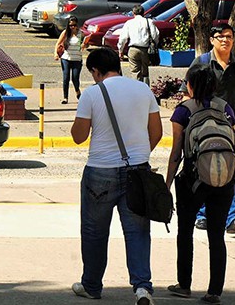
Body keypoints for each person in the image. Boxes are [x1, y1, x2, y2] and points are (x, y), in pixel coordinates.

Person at [70, 48, 162, 304]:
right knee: (138, 232)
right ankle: (142, 287)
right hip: (138, 171)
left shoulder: (91, 94)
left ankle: (91, 284)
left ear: (95, 72)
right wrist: (137, 157)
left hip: (100, 171)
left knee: (94, 232)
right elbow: (156, 132)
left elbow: (78, 137)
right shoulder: (144, 90)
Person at [165, 64, 235, 304]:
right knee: (217, 236)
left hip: (192, 181)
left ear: (190, 85)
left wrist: (167, 183)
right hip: (225, 180)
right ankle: (214, 291)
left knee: (185, 232)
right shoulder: (226, 109)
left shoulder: (183, 111)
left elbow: (177, 152)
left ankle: (184, 285)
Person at [187, 24, 235, 234]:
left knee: (230, 170)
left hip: (229, 128)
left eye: (229, 36)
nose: (225, 40)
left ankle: (233, 217)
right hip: (203, 127)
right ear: (211, 40)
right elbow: (188, 94)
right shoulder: (201, 63)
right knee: (202, 167)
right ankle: (202, 214)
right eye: (220, 37)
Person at [118, 4, 159, 86]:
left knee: (135, 72)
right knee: (145, 71)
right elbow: (155, 35)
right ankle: (146, 89)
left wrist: (120, 50)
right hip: (145, 49)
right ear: (143, 13)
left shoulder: (129, 23)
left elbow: (123, 38)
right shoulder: (149, 22)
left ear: (133, 13)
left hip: (133, 49)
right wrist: (155, 45)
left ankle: (136, 89)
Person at [54, 15, 84, 104]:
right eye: (70, 25)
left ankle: (77, 91)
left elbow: (86, 44)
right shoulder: (65, 33)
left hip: (77, 59)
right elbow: (58, 43)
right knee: (66, 77)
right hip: (66, 58)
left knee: (75, 78)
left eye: (74, 25)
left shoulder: (80, 33)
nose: (72, 27)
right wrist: (55, 53)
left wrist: (85, 45)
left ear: (77, 25)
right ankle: (65, 97)